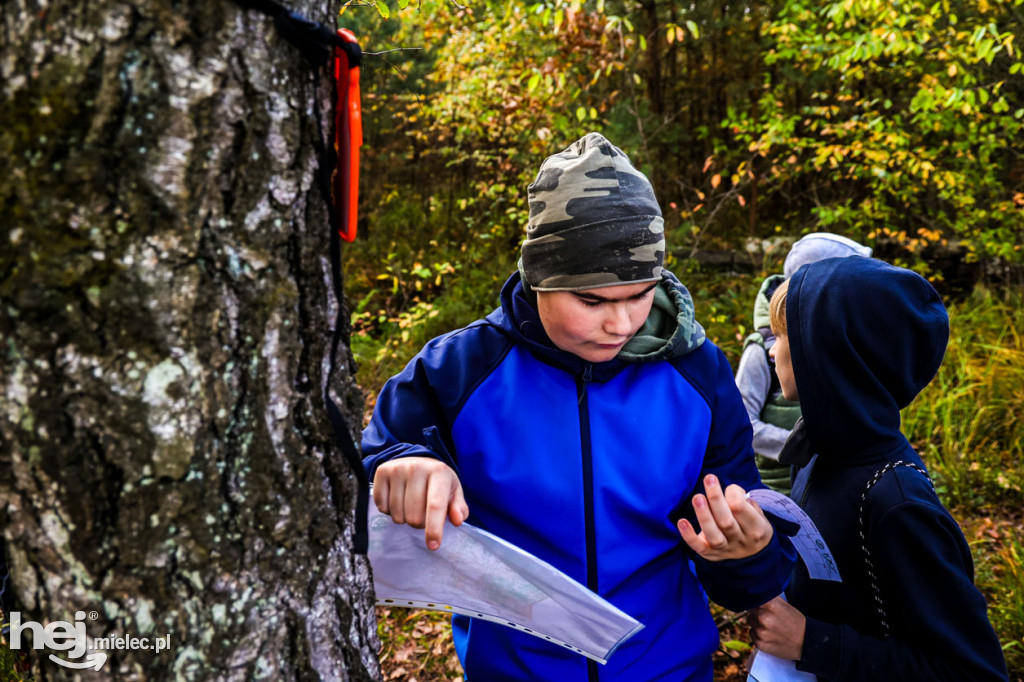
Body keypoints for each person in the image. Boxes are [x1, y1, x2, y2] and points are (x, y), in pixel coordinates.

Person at [363, 132, 796, 681]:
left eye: (640, 294)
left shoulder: (697, 374)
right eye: (591, 301)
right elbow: (369, 469)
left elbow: (745, 575)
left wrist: (749, 552)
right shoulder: (457, 371)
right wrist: (402, 462)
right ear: (538, 276)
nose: (619, 323)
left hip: (666, 671)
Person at [746, 257, 1009, 681]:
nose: (772, 349)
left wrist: (812, 642)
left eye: (783, 335)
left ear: (830, 356)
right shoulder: (819, 452)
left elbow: (971, 670)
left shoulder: (896, 504)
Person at [734, 233, 871, 495]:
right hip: (775, 493)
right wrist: (807, 448)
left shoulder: (841, 343)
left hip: (827, 488)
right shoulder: (763, 350)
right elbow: (743, 424)